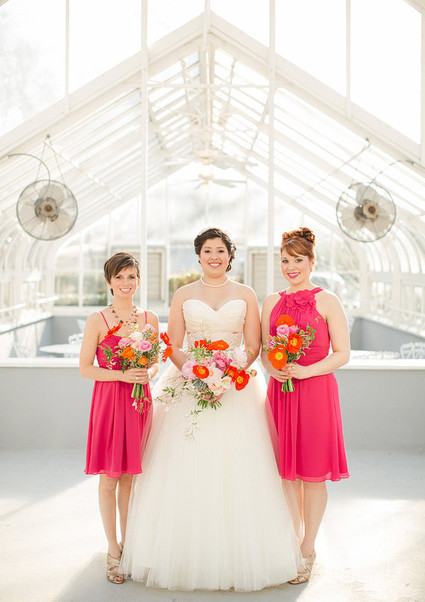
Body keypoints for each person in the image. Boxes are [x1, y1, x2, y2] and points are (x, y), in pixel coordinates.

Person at [121, 227, 301, 591]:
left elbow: (253, 346)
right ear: (198, 255)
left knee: (241, 466)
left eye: (220, 250)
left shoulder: (246, 293)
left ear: (230, 255)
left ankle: (244, 555)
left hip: (237, 386)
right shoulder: (183, 294)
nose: (214, 256)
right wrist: (196, 374)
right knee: (185, 465)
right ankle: (180, 553)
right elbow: (172, 344)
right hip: (189, 382)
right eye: (207, 251)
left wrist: (227, 375)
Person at [260, 227, 350, 584]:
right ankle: (291, 542)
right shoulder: (271, 301)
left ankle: (308, 548)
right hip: (281, 393)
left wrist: (306, 370)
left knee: (312, 475)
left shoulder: (328, 301)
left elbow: (342, 353)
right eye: (285, 260)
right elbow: (265, 351)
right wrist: (274, 369)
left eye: (298, 260)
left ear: (312, 262)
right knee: (285, 473)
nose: (291, 267)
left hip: (315, 393)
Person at [80, 252, 159, 584]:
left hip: (139, 403)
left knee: (130, 478)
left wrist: (146, 373)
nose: (126, 283)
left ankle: (130, 545)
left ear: (138, 280)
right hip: (110, 404)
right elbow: (86, 368)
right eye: (119, 277)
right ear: (109, 282)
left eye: (131, 277)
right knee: (109, 479)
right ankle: (113, 550)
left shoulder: (150, 318)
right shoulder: (97, 319)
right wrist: (121, 376)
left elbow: (155, 361)